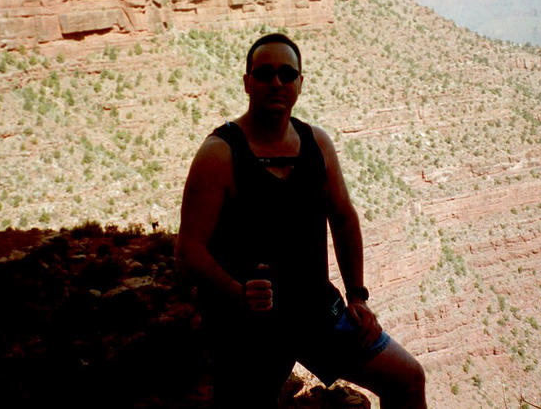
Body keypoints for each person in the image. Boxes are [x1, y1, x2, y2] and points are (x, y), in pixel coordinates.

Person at [176, 33, 426, 408]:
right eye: (264, 74)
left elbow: (343, 218)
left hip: (317, 311)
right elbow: (189, 252)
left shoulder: (317, 145)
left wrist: (357, 296)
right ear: (247, 82)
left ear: (300, 83)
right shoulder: (219, 154)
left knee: (408, 380)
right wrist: (237, 293)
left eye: (287, 73)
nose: (276, 82)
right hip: (249, 324)